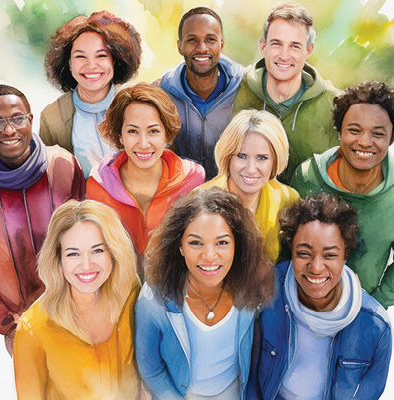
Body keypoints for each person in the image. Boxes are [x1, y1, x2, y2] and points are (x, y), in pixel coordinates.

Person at [247, 193, 392, 400]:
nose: (316, 267)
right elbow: (251, 377)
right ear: (292, 251)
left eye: (330, 255)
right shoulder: (268, 293)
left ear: (345, 256)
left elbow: (370, 393)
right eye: (304, 253)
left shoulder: (375, 326)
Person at [135, 188, 275, 400]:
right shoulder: (153, 300)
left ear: (237, 244)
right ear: (179, 246)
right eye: (195, 243)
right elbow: (151, 369)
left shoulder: (251, 285)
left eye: (222, 242)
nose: (209, 256)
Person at [13, 200, 141, 399]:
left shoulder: (130, 291)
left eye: (98, 250)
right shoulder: (33, 328)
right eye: (73, 254)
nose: (87, 265)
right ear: (58, 259)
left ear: (114, 252)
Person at [0, 84, 85, 354]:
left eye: (17, 118)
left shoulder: (63, 166)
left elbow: (89, 237)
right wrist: (8, 323)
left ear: (30, 120)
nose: (9, 130)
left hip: (78, 316)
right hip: (23, 330)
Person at [291, 81, 394, 308]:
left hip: (361, 309)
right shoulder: (308, 177)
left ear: (391, 138)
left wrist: (376, 302)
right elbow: (288, 245)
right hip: (302, 306)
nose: (365, 142)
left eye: (377, 133)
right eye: (354, 130)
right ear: (339, 133)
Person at [87, 83, 205, 259]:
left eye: (153, 131)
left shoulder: (193, 180)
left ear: (167, 134)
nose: (143, 143)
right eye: (133, 131)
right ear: (120, 136)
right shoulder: (98, 186)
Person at [232, 2, 339, 183]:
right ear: (263, 47)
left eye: (294, 46)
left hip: (308, 209)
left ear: (308, 50)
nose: (284, 55)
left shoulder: (334, 104)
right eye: (276, 44)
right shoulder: (236, 90)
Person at [40, 10, 142, 178]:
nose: (91, 65)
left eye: (101, 55)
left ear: (115, 61)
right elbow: (53, 179)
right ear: (68, 64)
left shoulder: (139, 105)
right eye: (81, 57)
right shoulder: (52, 117)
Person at [201, 109, 299, 263]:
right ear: (228, 158)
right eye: (241, 156)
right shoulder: (199, 199)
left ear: (275, 160)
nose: (251, 169)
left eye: (262, 158)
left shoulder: (288, 199)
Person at [161, 7, 244, 180]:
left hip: (234, 193)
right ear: (180, 46)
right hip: (182, 194)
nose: (202, 48)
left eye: (210, 40)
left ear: (221, 44)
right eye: (192, 40)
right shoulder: (163, 93)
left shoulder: (243, 87)